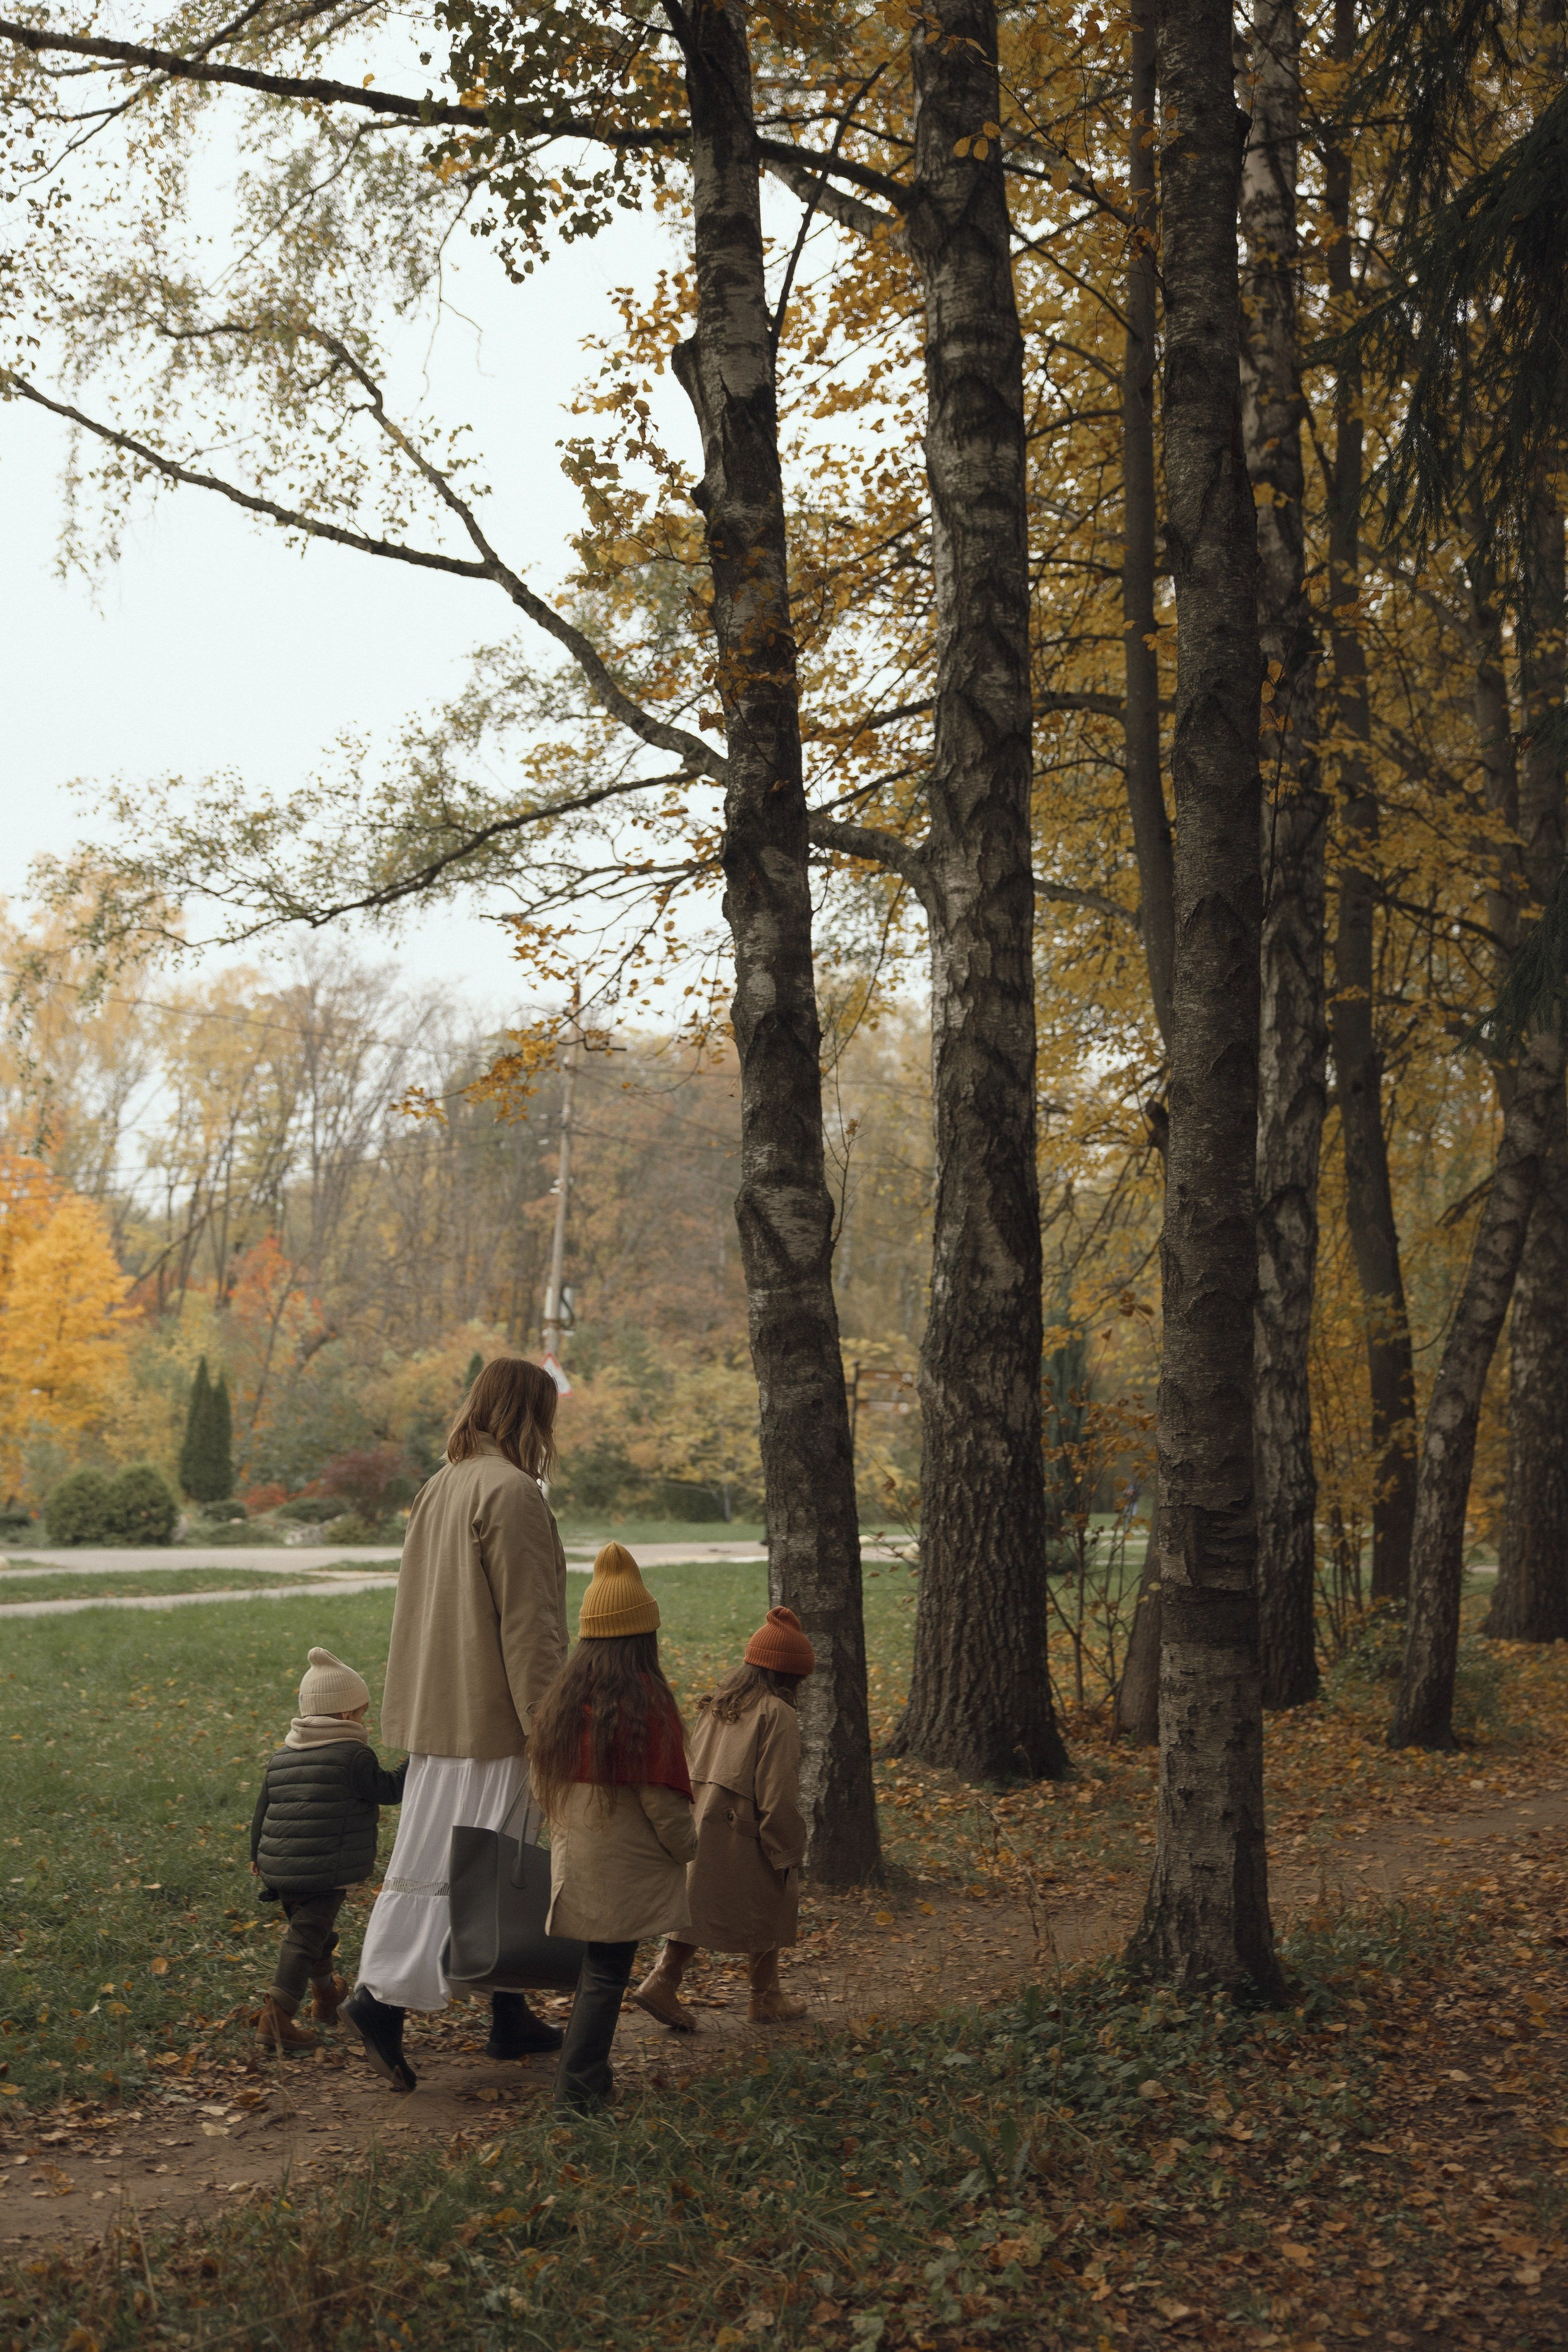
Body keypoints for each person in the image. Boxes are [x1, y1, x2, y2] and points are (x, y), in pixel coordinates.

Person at [342, 1355, 569, 2094]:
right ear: (531, 1415)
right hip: (493, 1714)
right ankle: (380, 1999)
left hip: (442, 1710)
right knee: (467, 1869)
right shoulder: (512, 1491)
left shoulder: (442, 1483)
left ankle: (508, 2014)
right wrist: (547, 1723)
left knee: (480, 1861)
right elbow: (530, 1624)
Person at [528, 1544, 696, 2113]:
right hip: (625, 1869)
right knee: (605, 1976)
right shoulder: (648, 1703)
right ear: (642, 1635)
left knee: (598, 1972)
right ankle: (578, 2089)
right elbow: (663, 1802)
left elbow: (539, 1785)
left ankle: (588, 2079)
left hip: (578, 1861)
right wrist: (689, 1848)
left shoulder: (564, 1699)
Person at [633, 1605, 815, 2032]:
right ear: (790, 1676)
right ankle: (741, 1993)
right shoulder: (778, 1714)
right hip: (745, 1829)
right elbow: (777, 1792)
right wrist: (786, 1843)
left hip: (704, 1819)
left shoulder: (722, 1702)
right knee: (775, 1892)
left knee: (699, 1902)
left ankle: (745, 1991)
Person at [249, 1646, 407, 2055]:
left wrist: (256, 1855)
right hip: (324, 1869)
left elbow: (261, 1811)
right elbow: (389, 1789)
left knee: (314, 1934)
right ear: (346, 1715)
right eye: (361, 1712)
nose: (363, 1720)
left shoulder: (281, 1757)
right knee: (304, 1940)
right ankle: (277, 2017)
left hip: (279, 1869)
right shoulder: (353, 1756)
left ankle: (326, 1997)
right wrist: (417, 1760)